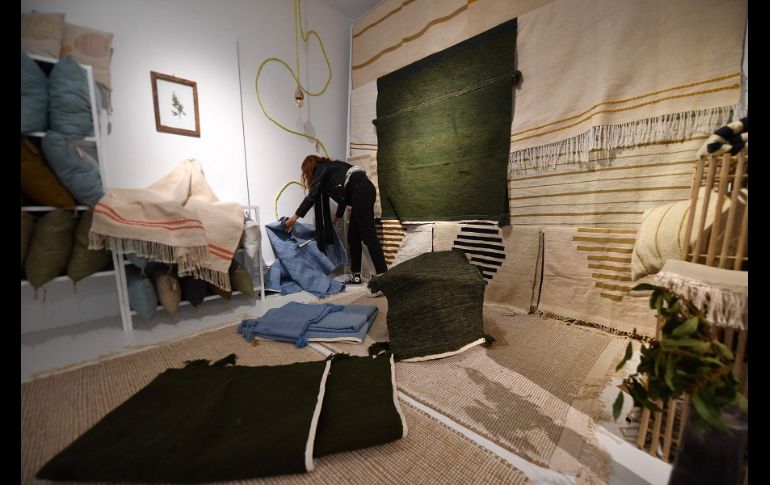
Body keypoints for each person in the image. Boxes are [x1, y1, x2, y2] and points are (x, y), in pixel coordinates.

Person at [284, 155, 388, 289]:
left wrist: (294, 217)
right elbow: (345, 194)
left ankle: (384, 279)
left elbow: (312, 195)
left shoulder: (321, 168)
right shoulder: (335, 168)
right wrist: (338, 216)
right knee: (353, 238)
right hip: (362, 191)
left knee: (368, 236)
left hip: (360, 191)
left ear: (310, 167)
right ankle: (356, 277)